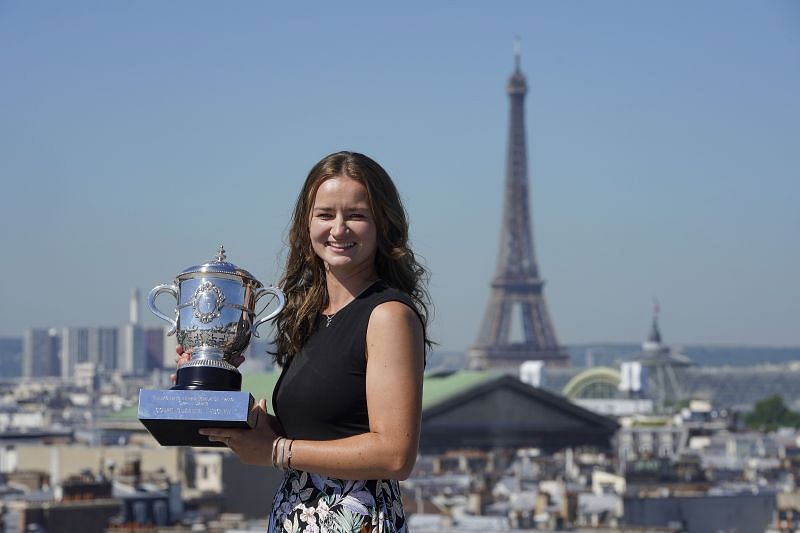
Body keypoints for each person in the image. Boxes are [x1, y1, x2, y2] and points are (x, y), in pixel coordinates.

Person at [177, 151, 431, 532]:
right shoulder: (312, 316)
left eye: (357, 215)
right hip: (297, 516)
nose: (339, 228)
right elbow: (323, 433)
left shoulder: (387, 317)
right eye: (325, 214)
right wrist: (213, 382)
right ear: (306, 223)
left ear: (383, 226)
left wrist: (278, 451)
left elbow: (396, 455)